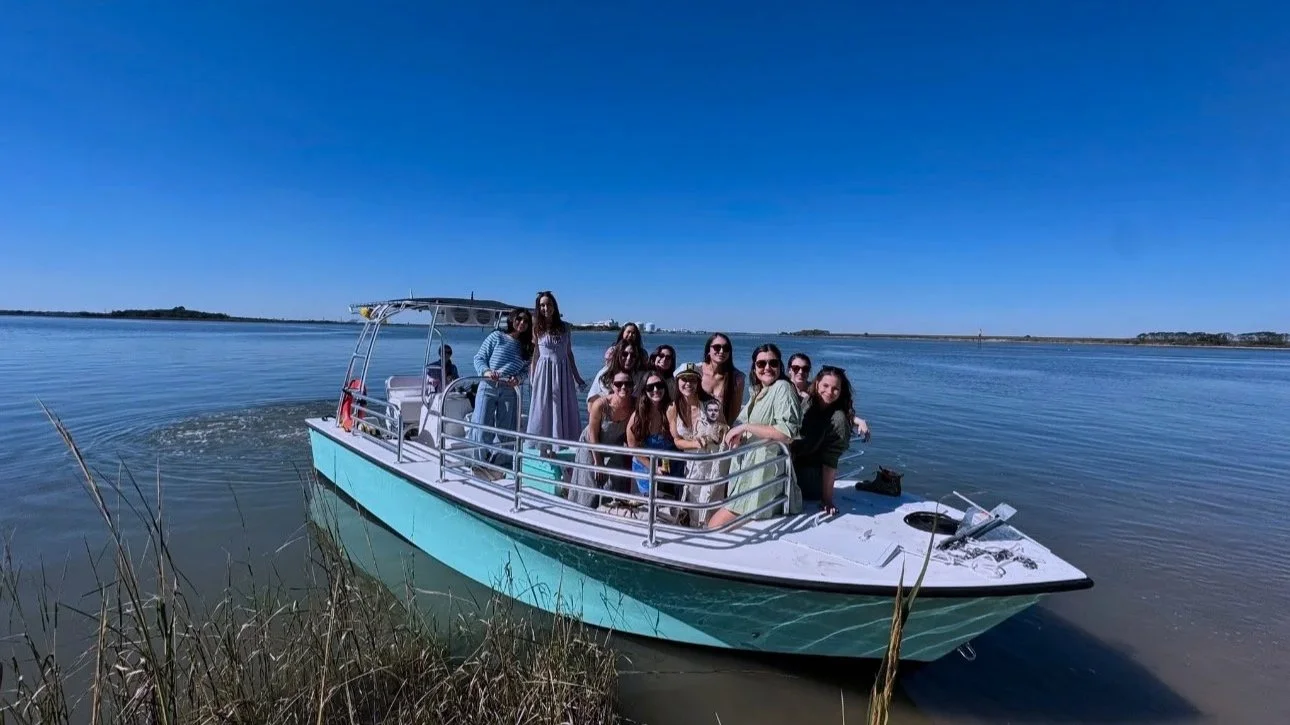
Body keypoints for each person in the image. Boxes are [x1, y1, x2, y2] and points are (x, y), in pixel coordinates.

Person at [707, 344, 802, 528]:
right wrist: (738, 434)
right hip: (748, 471)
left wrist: (745, 427)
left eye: (773, 363)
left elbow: (786, 433)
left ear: (780, 366)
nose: (767, 367)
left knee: (715, 525)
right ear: (754, 367)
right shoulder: (758, 391)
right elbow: (745, 423)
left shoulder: (782, 388)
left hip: (764, 475)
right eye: (761, 364)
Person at [467, 309, 532, 476]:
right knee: (481, 426)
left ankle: (500, 465)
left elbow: (526, 370)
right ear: (512, 319)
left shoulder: (527, 347)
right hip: (488, 387)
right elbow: (479, 358)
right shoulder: (496, 336)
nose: (522, 323)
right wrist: (487, 372)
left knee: (506, 431)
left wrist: (518, 378)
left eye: (526, 321)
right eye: (519, 319)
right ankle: (478, 464)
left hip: (510, 390)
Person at [667, 363, 727, 525]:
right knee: (694, 507)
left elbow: (723, 431)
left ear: (698, 382)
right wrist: (695, 443)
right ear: (677, 381)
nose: (688, 383)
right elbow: (677, 441)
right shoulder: (673, 408)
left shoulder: (711, 405)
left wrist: (714, 434)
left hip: (713, 462)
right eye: (684, 379)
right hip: (691, 465)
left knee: (711, 505)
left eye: (693, 380)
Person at [564, 371, 635, 508]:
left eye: (627, 384)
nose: (623, 387)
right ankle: (582, 511)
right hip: (591, 443)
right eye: (619, 384)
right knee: (589, 482)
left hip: (613, 445)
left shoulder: (634, 405)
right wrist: (598, 461)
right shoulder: (601, 405)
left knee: (614, 482)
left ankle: (608, 511)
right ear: (612, 386)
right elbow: (593, 433)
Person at [791, 366, 855, 516]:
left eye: (835, 389)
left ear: (841, 391)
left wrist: (827, 500)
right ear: (817, 384)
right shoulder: (808, 402)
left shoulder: (838, 420)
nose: (829, 392)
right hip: (791, 467)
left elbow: (830, 462)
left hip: (810, 479)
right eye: (825, 385)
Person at [527, 291, 586, 444]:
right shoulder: (537, 328)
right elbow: (536, 353)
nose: (546, 308)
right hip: (544, 372)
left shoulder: (565, 327)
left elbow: (569, 353)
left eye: (549, 304)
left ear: (554, 306)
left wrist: (577, 377)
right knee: (543, 407)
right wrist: (532, 376)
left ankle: (564, 443)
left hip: (563, 371)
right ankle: (542, 444)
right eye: (542, 305)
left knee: (565, 406)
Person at [788, 351, 871, 442]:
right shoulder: (781, 389)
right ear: (789, 370)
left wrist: (857, 420)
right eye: (796, 368)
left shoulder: (817, 392)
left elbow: (834, 410)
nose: (800, 372)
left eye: (805, 369)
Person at [627, 371, 677, 498]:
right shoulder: (638, 416)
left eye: (659, 385)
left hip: (669, 466)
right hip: (645, 467)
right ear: (644, 391)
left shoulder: (671, 409)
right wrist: (653, 468)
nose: (655, 390)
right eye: (650, 387)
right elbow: (633, 447)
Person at [701, 333, 745, 426]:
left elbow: (734, 414)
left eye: (726, 348)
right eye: (717, 347)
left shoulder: (737, 378)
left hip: (720, 429)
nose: (721, 351)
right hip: (695, 428)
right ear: (708, 350)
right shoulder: (697, 371)